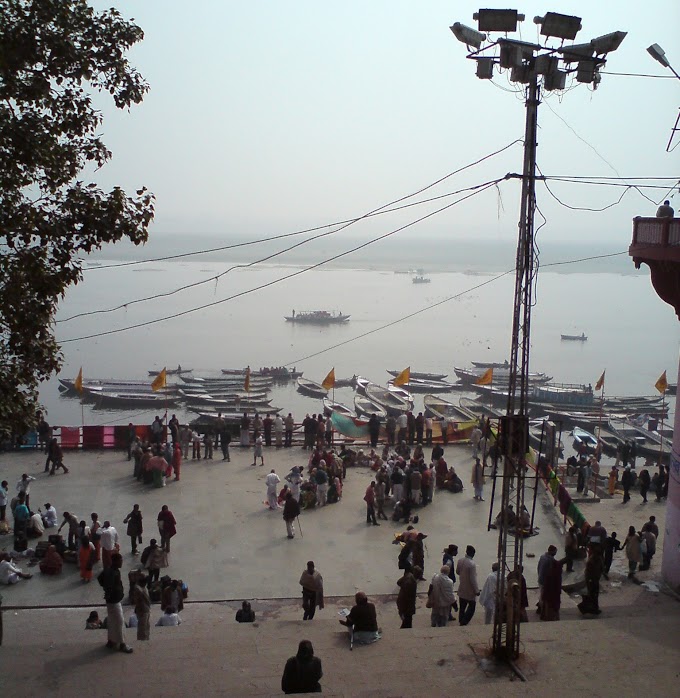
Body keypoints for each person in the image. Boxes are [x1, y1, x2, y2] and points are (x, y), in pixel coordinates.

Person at [97, 553, 133, 653]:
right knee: (120, 621)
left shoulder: (110, 570)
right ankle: (122, 643)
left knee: (112, 620)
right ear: (116, 561)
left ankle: (111, 640)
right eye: (120, 561)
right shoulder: (113, 572)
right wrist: (109, 592)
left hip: (111, 600)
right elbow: (108, 584)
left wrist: (106, 589)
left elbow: (100, 578)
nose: (121, 562)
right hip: (114, 601)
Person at [456, 545, 480, 626]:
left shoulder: (460, 560)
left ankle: (461, 620)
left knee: (462, 607)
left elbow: (457, 572)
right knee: (472, 607)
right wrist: (476, 590)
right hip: (470, 590)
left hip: (462, 587)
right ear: (472, 553)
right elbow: (473, 579)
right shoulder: (472, 564)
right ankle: (464, 622)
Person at [578, 545, 603, 615]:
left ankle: (594, 608)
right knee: (592, 595)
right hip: (592, 580)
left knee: (594, 595)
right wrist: (589, 580)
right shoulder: (591, 561)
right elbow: (588, 572)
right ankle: (591, 608)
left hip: (595, 580)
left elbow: (601, 568)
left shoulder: (598, 559)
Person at [540, 549, 563, 621]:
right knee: (552, 608)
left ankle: (547, 616)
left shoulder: (543, 557)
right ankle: (552, 618)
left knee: (547, 606)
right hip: (553, 596)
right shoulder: (556, 576)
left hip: (548, 594)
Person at [537, 545, 558, 615]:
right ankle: (541, 609)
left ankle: (540, 606)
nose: (556, 553)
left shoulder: (542, 557)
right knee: (543, 596)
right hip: (545, 581)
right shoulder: (551, 560)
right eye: (555, 552)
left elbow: (538, 567)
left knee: (541, 594)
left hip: (540, 578)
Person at [131, 574, 151, 640]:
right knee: (142, 627)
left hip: (147, 609)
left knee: (147, 626)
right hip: (142, 610)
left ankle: (146, 638)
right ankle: (141, 639)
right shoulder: (138, 589)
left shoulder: (144, 587)